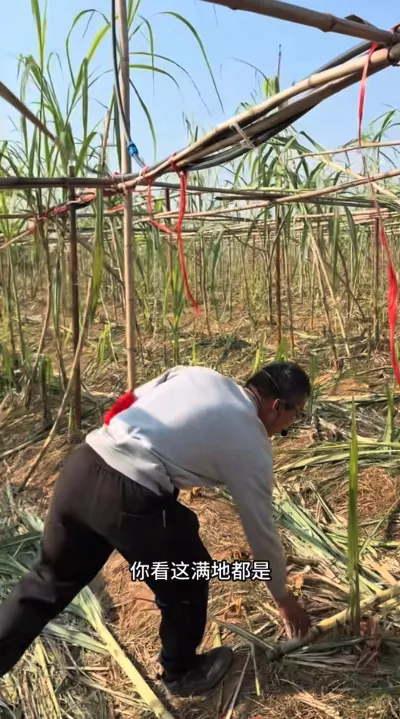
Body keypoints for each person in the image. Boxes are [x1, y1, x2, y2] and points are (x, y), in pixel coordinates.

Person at [0, 362, 311, 697]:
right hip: (129, 494)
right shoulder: (251, 441)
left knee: (46, 584)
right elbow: (260, 527)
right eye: (295, 417)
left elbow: (126, 402)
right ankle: (181, 671)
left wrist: (119, 439)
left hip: (83, 466)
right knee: (188, 577)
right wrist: (282, 596)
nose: (287, 428)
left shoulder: (198, 375)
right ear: (277, 407)